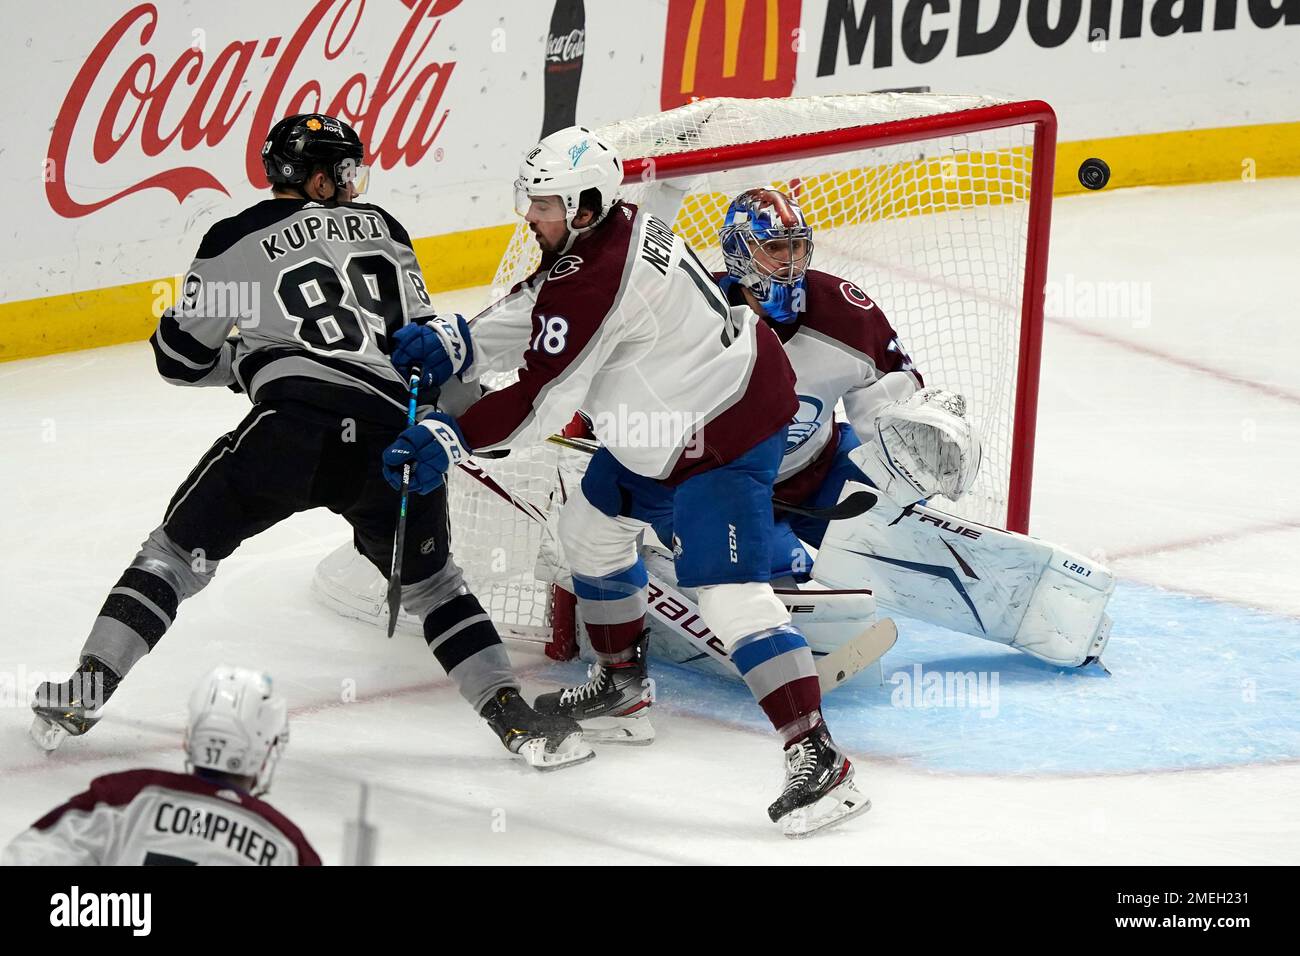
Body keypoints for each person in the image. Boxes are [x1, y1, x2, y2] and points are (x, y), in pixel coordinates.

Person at [29, 114, 589, 771]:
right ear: (319, 178)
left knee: (175, 556)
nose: (354, 184)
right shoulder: (383, 227)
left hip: (291, 433)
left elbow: (179, 358)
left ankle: (88, 688)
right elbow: (429, 354)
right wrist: (469, 418)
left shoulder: (237, 237)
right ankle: (517, 721)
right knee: (436, 588)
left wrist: (244, 360)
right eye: (345, 172)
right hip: (392, 442)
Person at [379, 126, 867, 836]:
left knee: (729, 596)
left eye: (544, 204)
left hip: (723, 430)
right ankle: (624, 690)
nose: (531, 217)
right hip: (658, 427)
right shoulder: (608, 232)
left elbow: (540, 398)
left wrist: (450, 436)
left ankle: (818, 757)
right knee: (589, 533)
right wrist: (463, 336)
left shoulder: (603, 277)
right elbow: (542, 301)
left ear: (583, 205)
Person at [713, 187, 980, 580]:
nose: (790, 263)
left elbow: (891, 400)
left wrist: (917, 440)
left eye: (797, 246)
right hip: (728, 490)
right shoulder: (698, 315)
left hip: (822, 468)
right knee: (777, 579)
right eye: (774, 249)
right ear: (740, 254)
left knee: (914, 531)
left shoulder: (844, 312)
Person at [6, 666, 319, 865]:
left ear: (190, 737)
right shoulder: (287, 845)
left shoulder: (124, 797)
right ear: (265, 751)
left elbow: (29, 857)